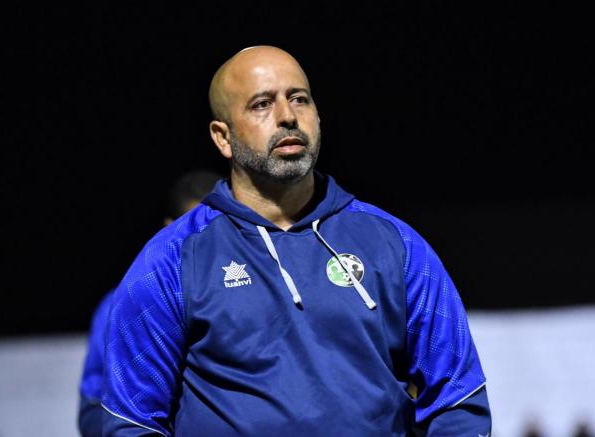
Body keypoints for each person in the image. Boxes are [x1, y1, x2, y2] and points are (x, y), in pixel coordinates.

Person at [101, 46, 492, 436]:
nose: (287, 116)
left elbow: (458, 400)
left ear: (318, 116)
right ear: (222, 137)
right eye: (261, 104)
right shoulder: (170, 259)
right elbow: (131, 422)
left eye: (299, 99)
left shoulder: (396, 245)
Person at [77, 170, 221, 437]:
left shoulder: (257, 291)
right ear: (169, 227)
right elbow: (94, 409)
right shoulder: (126, 300)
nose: (204, 238)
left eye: (215, 227)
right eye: (192, 225)